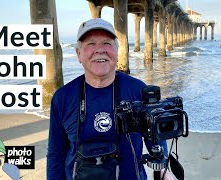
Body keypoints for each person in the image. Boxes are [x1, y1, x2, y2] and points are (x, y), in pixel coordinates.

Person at [47, 18, 173, 180]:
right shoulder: (63, 97)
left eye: (107, 43)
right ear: (79, 54)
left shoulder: (137, 90)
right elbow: (56, 154)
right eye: (91, 44)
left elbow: (155, 137)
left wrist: (164, 170)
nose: (100, 50)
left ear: (117, 51)